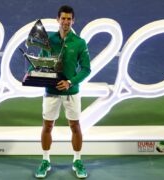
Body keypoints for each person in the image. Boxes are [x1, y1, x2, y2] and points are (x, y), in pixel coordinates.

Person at [35, 5, 91, 179]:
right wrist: (31, 71)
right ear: (58, 19)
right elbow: (41, 61)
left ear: (73, 20)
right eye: (63, 18)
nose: (66, 21)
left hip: (71, 92)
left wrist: (70, 82)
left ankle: (77, 160)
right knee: (47, 126)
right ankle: (45, 160)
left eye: (69, 18)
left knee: (75, 126)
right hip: (51, 91)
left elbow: (86, 69)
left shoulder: (80, 43)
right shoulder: (49, 40)